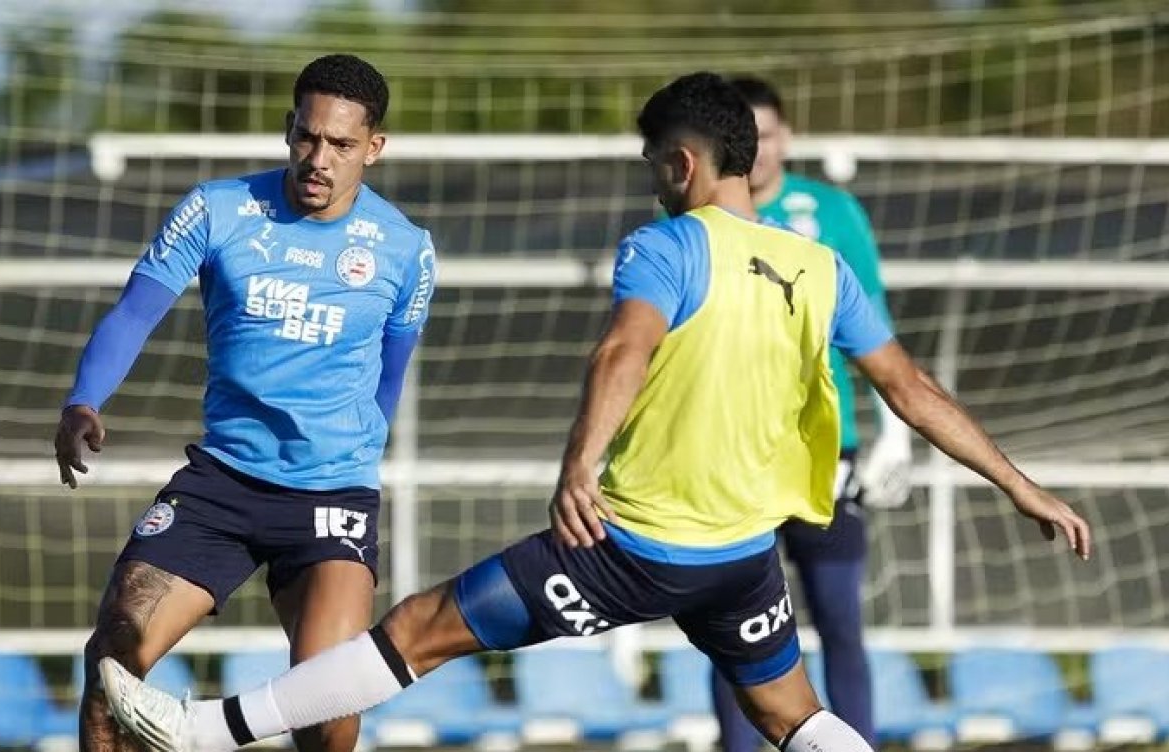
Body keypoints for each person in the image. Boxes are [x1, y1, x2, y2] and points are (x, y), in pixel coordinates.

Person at [95, 71, 1091, 752]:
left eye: (656, 160)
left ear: (682, 165)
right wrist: (1023, 485)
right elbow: (911, 389)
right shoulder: (820, 265)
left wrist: (579, 468)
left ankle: (199, 729)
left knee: (418, 628)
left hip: (630, 544)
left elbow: (621, 350)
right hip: (743, 549)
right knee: (792, 708)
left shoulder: (666, 245)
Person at [53, 53, 438, 752]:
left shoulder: (406, 249)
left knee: (328, 712)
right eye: (307, 137)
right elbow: (136, 312)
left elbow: (391, 371)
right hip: (221, 487)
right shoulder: (218, 209)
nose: (319, 158)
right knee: (111, 667)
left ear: (373, 149)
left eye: (342, 144)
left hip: (331, 496)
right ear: (289, 128)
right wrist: (84, 399)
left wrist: (349, 452)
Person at [703, 74, 912, 751]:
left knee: (837, 617)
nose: (757, 151)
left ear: (787, 136)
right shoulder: (695, 219)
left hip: (825, 450)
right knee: (733, 625)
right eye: (744, 136)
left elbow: (874, 328)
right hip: (730, 457)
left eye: (767, 135)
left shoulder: (832, 212)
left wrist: (896, 435)